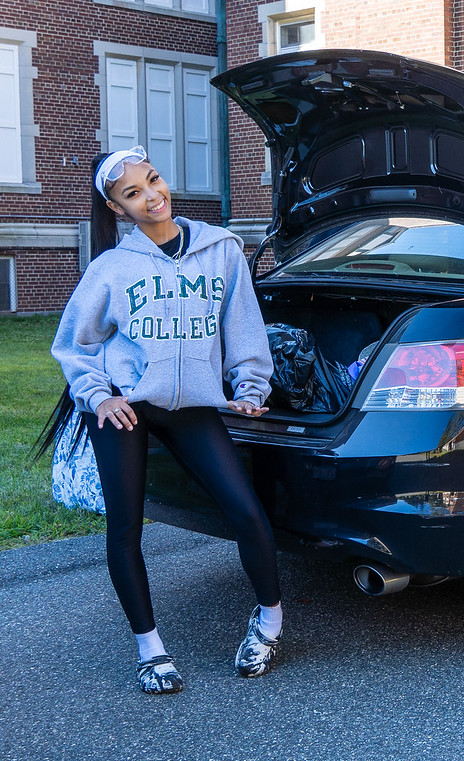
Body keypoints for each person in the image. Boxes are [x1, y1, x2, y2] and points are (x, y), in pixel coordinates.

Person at [48, 145, 283, 695]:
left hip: (194, 407)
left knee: (246, 511)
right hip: (128, 408)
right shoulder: (112, 268)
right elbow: (74, 345)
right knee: (126, 528)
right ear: (116, 208)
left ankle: (269, 622)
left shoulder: (220, 248)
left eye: (153, 181)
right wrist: (98, 396)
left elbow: (243, 327)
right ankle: (150, 648)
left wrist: (248, 388)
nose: (152, 196)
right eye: (134, 193)